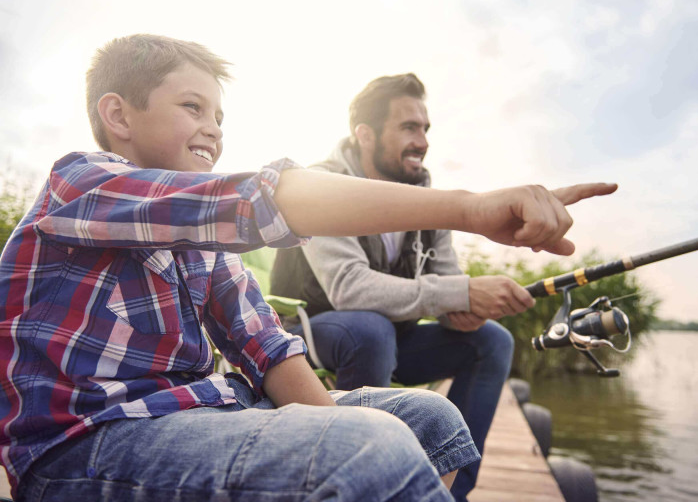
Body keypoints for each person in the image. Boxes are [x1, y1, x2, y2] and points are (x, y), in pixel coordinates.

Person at [0, 35, 616, 502]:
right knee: (371, 448)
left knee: (429, 422)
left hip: (206, 414)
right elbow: (258, 200)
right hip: (82, 446)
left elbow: (265, 345)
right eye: (193, 107)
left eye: (219, 117)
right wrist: (472, 208)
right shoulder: (80, 183)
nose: (213, 130)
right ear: (119, 115)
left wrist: (335, 430)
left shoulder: (203, 246)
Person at [270, 73, 613, 500]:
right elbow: (348, 289)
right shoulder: (322, 183)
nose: (423, 141)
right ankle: (356, 485)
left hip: (394, 339)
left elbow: (450, 284)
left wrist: (467, 309)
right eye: (408, 127)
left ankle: (450, 492)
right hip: (313, 333)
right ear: (365, 135)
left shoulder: (424, 192)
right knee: (369, 329)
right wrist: (459, 293)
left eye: (425, 128)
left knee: (493, 342)